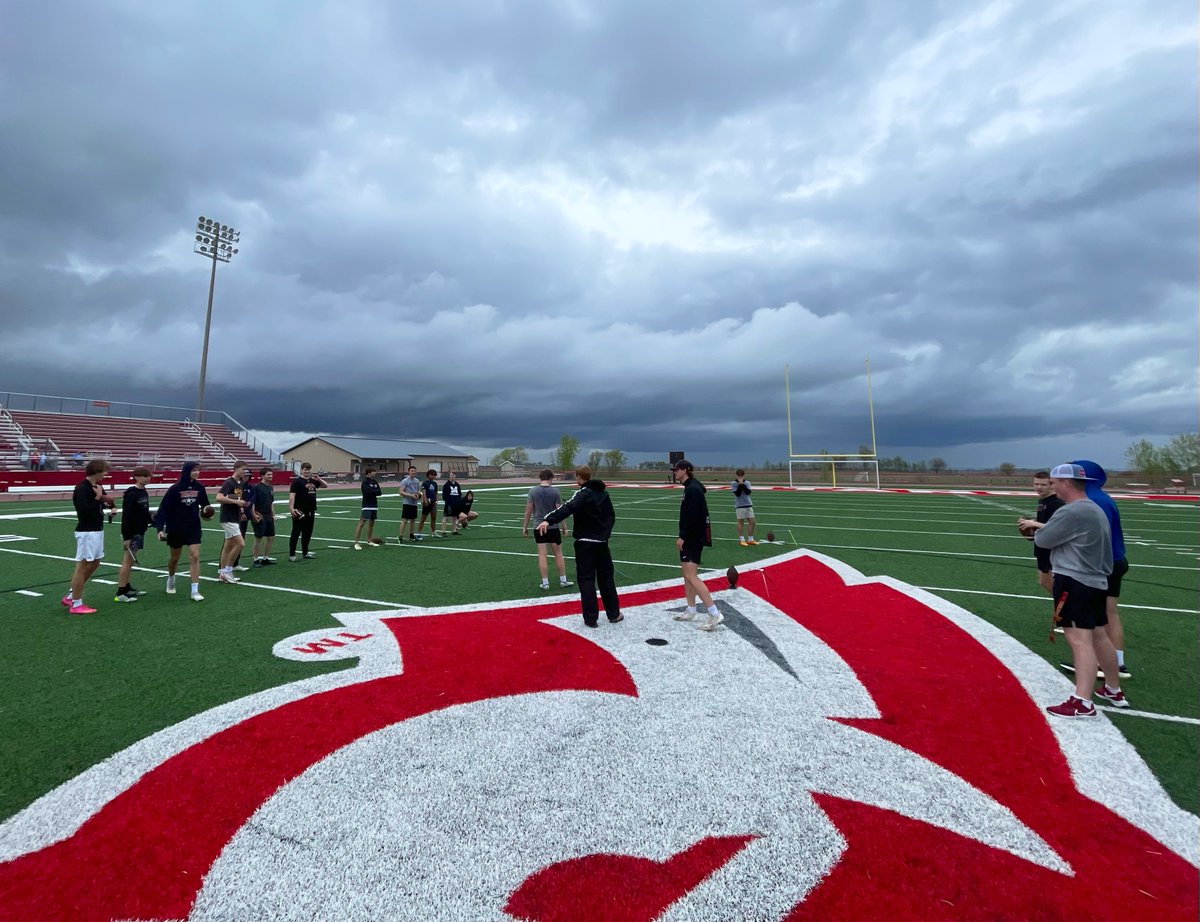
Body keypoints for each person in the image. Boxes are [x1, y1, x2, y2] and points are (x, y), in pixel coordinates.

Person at [1034, 463, 1125, 717]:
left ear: (1065, 483)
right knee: (1098, 635)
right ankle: (1112, 688)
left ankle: (1082, 701)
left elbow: (1043, 540)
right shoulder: (1094, 508)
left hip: (1075, 580)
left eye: (1053, 483)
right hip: (1095, 580)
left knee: (1079, 640)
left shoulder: (1072, 511)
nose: (1051, 487)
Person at [1069, 459, 1133, 680]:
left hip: (1103, 563)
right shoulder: (1101, 497)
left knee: (1100, 617)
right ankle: (1117, 662)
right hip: (1115, 560)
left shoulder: (1093, 500)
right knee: (1109, 613)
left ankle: (1105, 663)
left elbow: (1092, 534)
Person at [537, 465, 621, 628]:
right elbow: (611, 516)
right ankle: (614, 614)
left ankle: (591, 619)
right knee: (606, 579)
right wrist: (604, 534)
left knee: (586, 580)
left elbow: (567, 508)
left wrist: (548, 520)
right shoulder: (604, 494)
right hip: (602, 543)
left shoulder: (582, 494)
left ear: (579, 478)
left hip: (585, 544)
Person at [671, 459, 722, 631]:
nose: (674, 472)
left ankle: (714, 613)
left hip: (692, 538)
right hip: (692, 537)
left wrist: (683, 537)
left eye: (677, 470)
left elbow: (693, 517)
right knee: (687, 575)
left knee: (692, 576)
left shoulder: (692, 489)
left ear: (685, 470)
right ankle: (691, 609)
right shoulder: (690, 488)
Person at [154, 460, 214, 602]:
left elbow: (205, 506)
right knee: (174, 559)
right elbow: (163, 509)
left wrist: (207, 513)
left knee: (194, 555)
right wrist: (159, 529)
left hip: (193, 526)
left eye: (198, 470)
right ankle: (171, 578)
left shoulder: (200, 487)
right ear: (187, 471)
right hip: (176, 527)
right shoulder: (175, 488)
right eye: (193, 470)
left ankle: (195, 590)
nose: (196, 472)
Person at [62, 459, 110, 614]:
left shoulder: (96, 487)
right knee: (82, 565)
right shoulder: (82, 488)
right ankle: (76, 604)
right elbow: (84, 510)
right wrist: (98, 498)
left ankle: (71, 594)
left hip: (97, 529)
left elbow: (104, 501)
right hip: (87, 531)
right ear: (96, 471)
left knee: (95, 562)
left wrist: (109, 503)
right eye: (103, 471)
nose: (105, 474)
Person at [523, 468, 573, 590]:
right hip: (553, 527)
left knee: (542, 555)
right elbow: (560, 511)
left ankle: (545, 583)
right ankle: (563, 580)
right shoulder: (555, 491)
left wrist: (525, 526)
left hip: (538, 526)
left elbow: (528, 510)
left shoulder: (533, 491)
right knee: (558, 554)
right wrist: (564, 527)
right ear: (550, 478)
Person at [1017, 470, 1064, 596]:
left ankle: (1069, 609)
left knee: (1050, 583)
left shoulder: (1056, 503)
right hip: (1042, 547)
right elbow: (1046, 522)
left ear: (1051, 485)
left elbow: (1058, 528)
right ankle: (1066, 609)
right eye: (1036, 484)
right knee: (1045, 582)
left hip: (1051, 549)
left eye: (1043, 485)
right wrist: (1030, 524)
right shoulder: (1043, 500)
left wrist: (1034, 524)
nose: (1038, 487)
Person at [114, 466, 155, 602]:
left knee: (130, 561)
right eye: (144, 476)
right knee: (127, 561)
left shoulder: (144, 492)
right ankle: (120, 592)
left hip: (140, 530)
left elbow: (143, 512)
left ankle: (127, 587)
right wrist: (126, 537)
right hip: (132, 532)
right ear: (136, 477)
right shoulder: (131, 494)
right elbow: (127, 516)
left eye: (148, 476)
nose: (147, 478)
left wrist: (152, 519)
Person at [216, 461, 252, 584]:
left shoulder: (240, 483)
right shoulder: (228, 482)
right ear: (236, 469)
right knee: (241, 544)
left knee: (228, 546)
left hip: (235, 517)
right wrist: (237, 503)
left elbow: (237, 498)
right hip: (227, 518)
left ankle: (222, 573)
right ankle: (228, 570)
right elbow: (219, 497)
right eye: (243, 469)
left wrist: (242, 507)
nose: (244, 472)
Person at [288, 462, 328, 561]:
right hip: (300, 510)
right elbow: (292, 495)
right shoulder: (297, 481)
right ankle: (292, 555)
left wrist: (318, 479)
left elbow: (325, 485)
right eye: (305, 469)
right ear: (301, 470)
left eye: (309, 469)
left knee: (307, 533)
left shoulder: (312, 481)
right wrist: (291, 508)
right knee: (296, 533)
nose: (307, 471)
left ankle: (305, 552)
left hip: (311, 510)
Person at [251, 467, 277, 567]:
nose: (270, 476)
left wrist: (273, 515)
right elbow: (252, 502)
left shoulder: (270, 488)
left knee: (271, 537)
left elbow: (271, 503)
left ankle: (265, 558)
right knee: (258, 538)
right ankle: (256, 559)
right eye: (268, 475)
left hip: (268, 516)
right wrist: (254, 515)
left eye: (271, 474)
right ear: (262, 475)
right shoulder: (256, 487)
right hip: (259, 515)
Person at [353, 467, 383, 549]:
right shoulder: (365, 482)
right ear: (368, 473)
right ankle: (356, 542)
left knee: (372, 523)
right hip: (367, 505)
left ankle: (369, 540)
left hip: (374, 505)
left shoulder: (374, 481)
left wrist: (373, 491)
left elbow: (379, 492)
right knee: (362, 523)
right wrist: (374, 491)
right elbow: (367, 492)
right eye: (373, 471)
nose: (375, 473)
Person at [731, 468, 757, 546]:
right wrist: (739, 484)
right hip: (740, 505)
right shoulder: (733, 483)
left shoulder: (747, 482)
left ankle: (750, 539)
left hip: (748, 504)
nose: (740, 477)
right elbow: (737, 494)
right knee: (740, 523)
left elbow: (748, 492)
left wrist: (742, 484)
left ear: (743, 475)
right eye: (739, 475)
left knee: (752, 522)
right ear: (737, 475)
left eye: (741, 475)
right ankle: (742, 540)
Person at [398, 465, 422, 542]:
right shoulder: (405, 481)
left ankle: (411, 535)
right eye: (412, 471)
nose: (413, 472)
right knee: (405, 520)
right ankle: (400, 536)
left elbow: (417, 491)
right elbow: (401, 492)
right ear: (409, 472)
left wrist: (419, 495)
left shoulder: (417, 481)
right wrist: (411, 495)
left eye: (414, 471)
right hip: (407, 502)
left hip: (414, 503)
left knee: (413, 520)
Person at [417, 469, 441, 538]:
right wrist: (425, 501)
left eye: (434, 475)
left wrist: (437, 500)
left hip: (433, 502)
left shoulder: (435, 483)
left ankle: (433, 532)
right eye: (431, 474)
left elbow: (436, 492)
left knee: (433, 518)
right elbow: (424, 492)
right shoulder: (425, 483)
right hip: (427, 502)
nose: (433, 476)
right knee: (423, 519)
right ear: (428, 475)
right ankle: (419, 533)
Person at [441, 471, 464, 535]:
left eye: (453, 475)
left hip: (456, 504)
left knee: (454, 517)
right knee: (445, 517)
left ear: (455, 476)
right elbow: (444, 496)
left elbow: (459, 494)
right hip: (449, 504)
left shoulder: (457, 485)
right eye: (451, 475)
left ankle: (454, 530)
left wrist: (458, 502)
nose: (452, 476)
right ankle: (443, 531)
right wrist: (449, 502)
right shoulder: (446, 485)